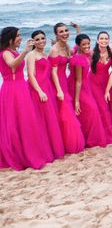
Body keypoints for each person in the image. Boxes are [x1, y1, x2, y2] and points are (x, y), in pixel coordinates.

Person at [0, 27, 54, 170]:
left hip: (21, 87)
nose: (20, 38)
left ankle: (26, 151)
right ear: (10, 38)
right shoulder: (5, 53)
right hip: (11, 89)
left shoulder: (14, 52)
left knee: (25, 120)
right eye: (18, 36)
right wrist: (26, 51)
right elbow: (12, 65)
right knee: (13, 121)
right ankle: (17, 154)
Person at [26, 30, 65, 159]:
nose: (41, 41)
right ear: (33, 42)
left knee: (50, 119)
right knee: (41, 120)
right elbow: (31, 75)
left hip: (48, 88)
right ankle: (43, 151)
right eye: (37, 39)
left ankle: (52, 149)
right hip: (38, 90)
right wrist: (39, 91)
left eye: (43, 38)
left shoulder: (44, 53)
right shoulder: (32, 54)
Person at [48, 23, 85, 154]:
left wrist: (78, 30)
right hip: (55, 83)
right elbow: (52, 72)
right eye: (61, 32)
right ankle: (67, 144)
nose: (64, 33)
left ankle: (65, 142)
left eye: (66, 30)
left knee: (65, 112)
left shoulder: (67, 47)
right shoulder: (54, 50)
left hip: (64, 81)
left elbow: (78, 47)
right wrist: (58, 90)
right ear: (56, 34)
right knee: (64, 113)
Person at [70, 34, 108, 148]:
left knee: (87, 112)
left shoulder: (85, 53)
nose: (86, 46)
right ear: (78, 45)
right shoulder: (78, 59)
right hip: (78, 87)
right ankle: (90, 139)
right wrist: (76, 101)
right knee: (92, 110)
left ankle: (87, 138)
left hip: (86, 85)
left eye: (88, 44)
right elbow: (78, 81)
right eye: (83, 45)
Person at [89, 31, 112, 143]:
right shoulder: (91, 53)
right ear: (97, 40)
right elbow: (77, 54)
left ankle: (107, 132)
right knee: (102, 108)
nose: (104, 40)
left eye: (106, 38)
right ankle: (102, 134)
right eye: (101, 38)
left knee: (107, 107)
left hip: (106, 82)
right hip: (93, 83)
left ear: (109, 40)